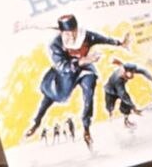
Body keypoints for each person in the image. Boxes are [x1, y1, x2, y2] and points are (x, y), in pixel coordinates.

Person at [24, 14, 130, 148]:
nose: (72, 37)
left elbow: (103, 39)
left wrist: (120, 43)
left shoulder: (86, 36)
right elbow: (62, 66)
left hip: (84, 69)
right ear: (61, 32)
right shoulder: (54, 44)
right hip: (64, 75)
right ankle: (36, 122)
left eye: (73, 32)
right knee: (50, 96)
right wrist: (83, 60)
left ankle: (86, 128)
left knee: (89, 90)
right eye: (67, 34)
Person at [104, 59, 152, 128]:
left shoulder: (129, 69)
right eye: (131, 73)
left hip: (120, 90)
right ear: (125, 72)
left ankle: (126, 121)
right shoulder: (118, 78)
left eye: (133, 72)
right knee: (110, 107)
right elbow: (123, 95)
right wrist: (134, 107)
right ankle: (110, 119)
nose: (133, 75)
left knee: (126, 106)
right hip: (110, 91)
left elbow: (144, 71)